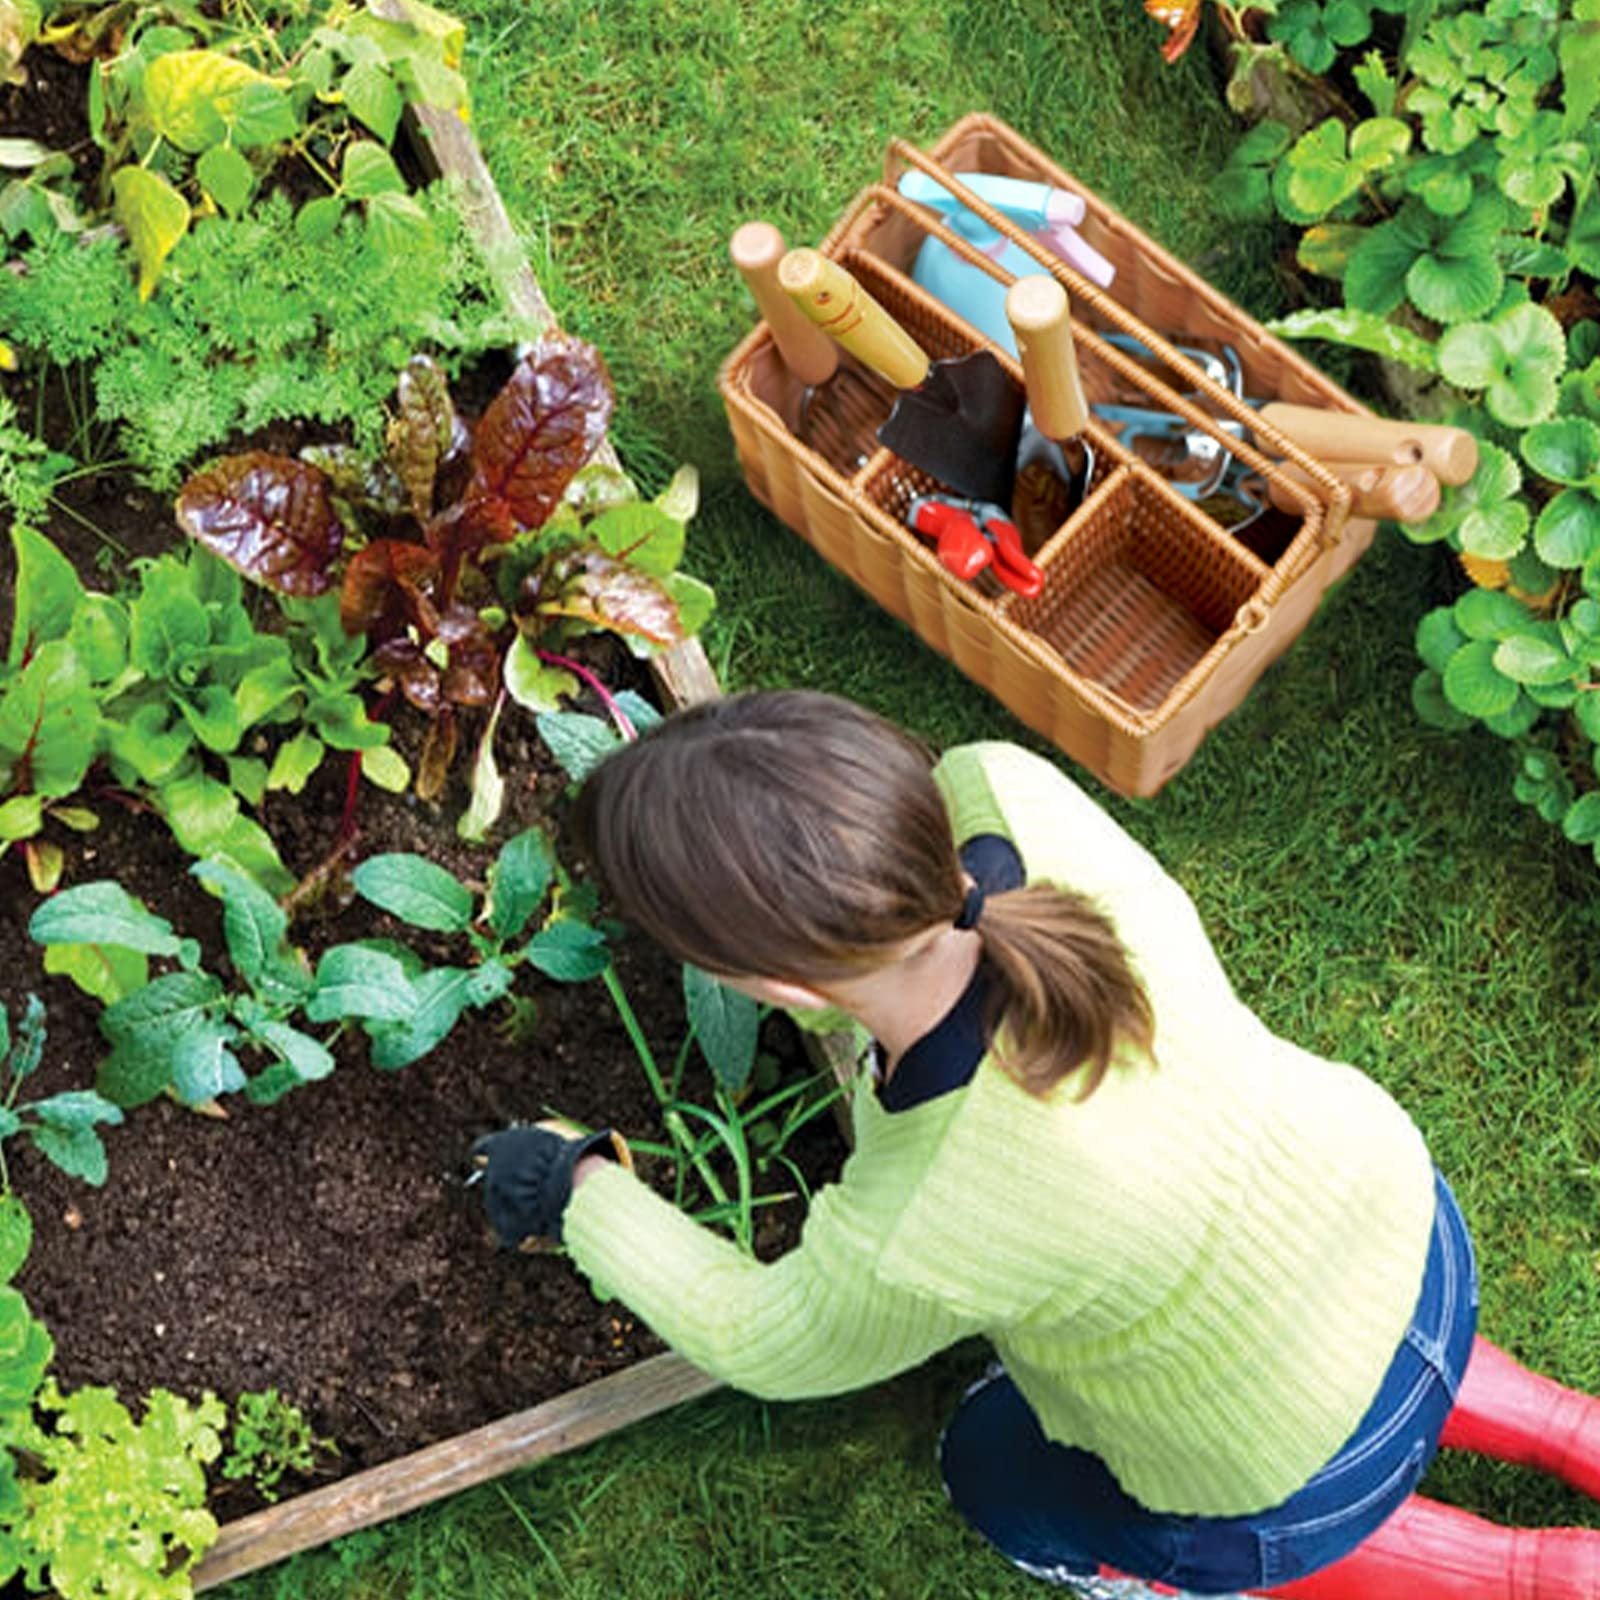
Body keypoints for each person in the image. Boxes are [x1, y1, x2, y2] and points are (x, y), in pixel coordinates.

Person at [473, 690, 1600, 1598]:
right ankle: (1567, 1425)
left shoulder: (928, 1213)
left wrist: (574, 1186)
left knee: (992, 1471)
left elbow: (763, 1336)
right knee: (1357, 1344)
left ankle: (1531, 1576)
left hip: (1287, 1469)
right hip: (1402, 1226)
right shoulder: (1011, 793)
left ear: (770, 987)